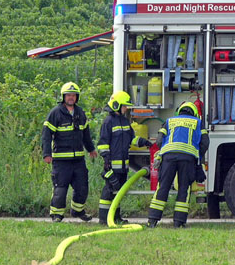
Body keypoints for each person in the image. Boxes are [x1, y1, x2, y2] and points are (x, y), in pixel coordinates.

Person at [41, 82, 97, 222]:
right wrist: (47, 154)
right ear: (63, 97)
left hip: (78, 160)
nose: (71, 97)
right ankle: (57, 215)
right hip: (61, 161)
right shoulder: (55, 113)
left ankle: (78, 211)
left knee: (82, 187)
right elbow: (46, 135)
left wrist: (91, 149)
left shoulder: (80, 113)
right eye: (68, 95)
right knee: (60, 189)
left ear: (76, 97)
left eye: (73, 95)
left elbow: (86, 135)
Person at [148, 101, 209, 228]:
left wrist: (164, 151)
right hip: (187, 158)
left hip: (168, 158)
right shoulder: (198, 123)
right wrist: (197, 158)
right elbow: (205, 143)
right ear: (194, 113)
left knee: (163, 187)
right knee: (184, 188)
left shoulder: (169, 121)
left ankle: (152, 220)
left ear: (179, 110)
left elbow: (159, 140)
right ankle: (179, 222)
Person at [96, 91, 152, 225]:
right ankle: (104, 219)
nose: (126, 108)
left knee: (118, 192)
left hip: (124, 165)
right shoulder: (108, 122)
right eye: (124, 106)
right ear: (116, 105)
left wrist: (144, 142)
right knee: (109, 191)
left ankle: (116, 217)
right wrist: (106, 160)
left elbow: (131, 140)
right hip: (112, 165)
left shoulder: (125, 121)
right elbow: (103, 144)